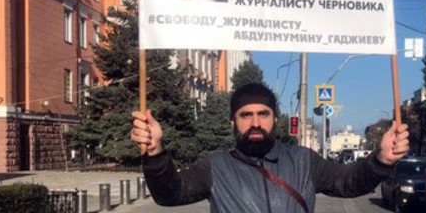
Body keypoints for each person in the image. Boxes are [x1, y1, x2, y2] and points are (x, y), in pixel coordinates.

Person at [131, 83, 409, 212]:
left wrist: (382, 160)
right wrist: (155, 153)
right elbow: (169, 195)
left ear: (275, 119)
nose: (255, 122)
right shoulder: (215, 166)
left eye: (263, 114)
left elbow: (348, 183)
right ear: (233, 122)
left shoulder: (303, 161)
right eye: (245, 115)